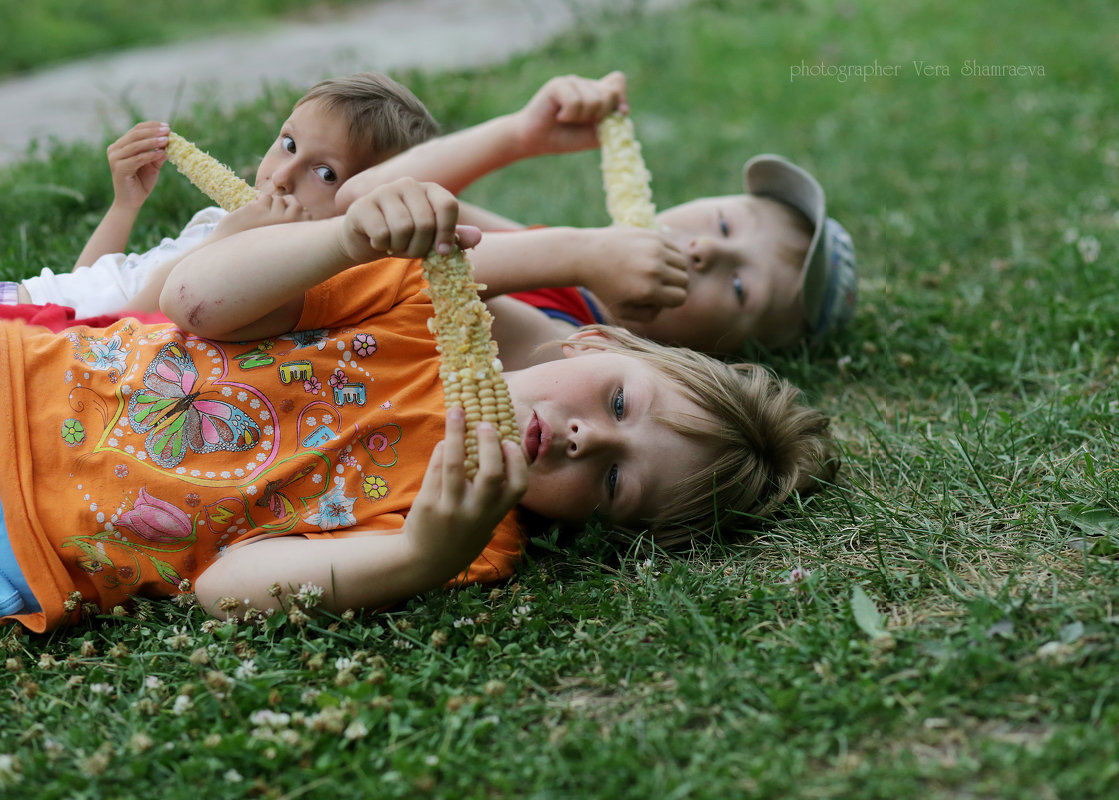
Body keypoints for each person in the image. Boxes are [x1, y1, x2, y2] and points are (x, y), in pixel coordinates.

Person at [0, 178, 838, 632]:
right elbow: (194, 301)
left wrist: (414, 558)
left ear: (599, 528)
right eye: (619, 401)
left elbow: (222, 585)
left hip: (26, 547)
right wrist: (344, 239)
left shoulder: (464, 543)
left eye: (616, 482)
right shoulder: (416, 306)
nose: (586, 438)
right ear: (597, 344)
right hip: (19, 374)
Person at [335, 71, 859, 365]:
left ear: (721, 356)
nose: (708, 251)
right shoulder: (561, 261)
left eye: (742, 286)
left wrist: (580, 254)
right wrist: (519, 135)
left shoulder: (576, 358)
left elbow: (398, 274)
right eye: (724, 224)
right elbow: (366, 197)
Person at [0, 72, 438, 318]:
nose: (282, 176)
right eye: (288, 144)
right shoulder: (220, 220)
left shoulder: (265, 273)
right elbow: (88, 284)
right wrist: (125, 205)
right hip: (29, 300)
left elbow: (119, 328)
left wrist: (223, 240)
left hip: (36, 334)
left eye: (325, 173)